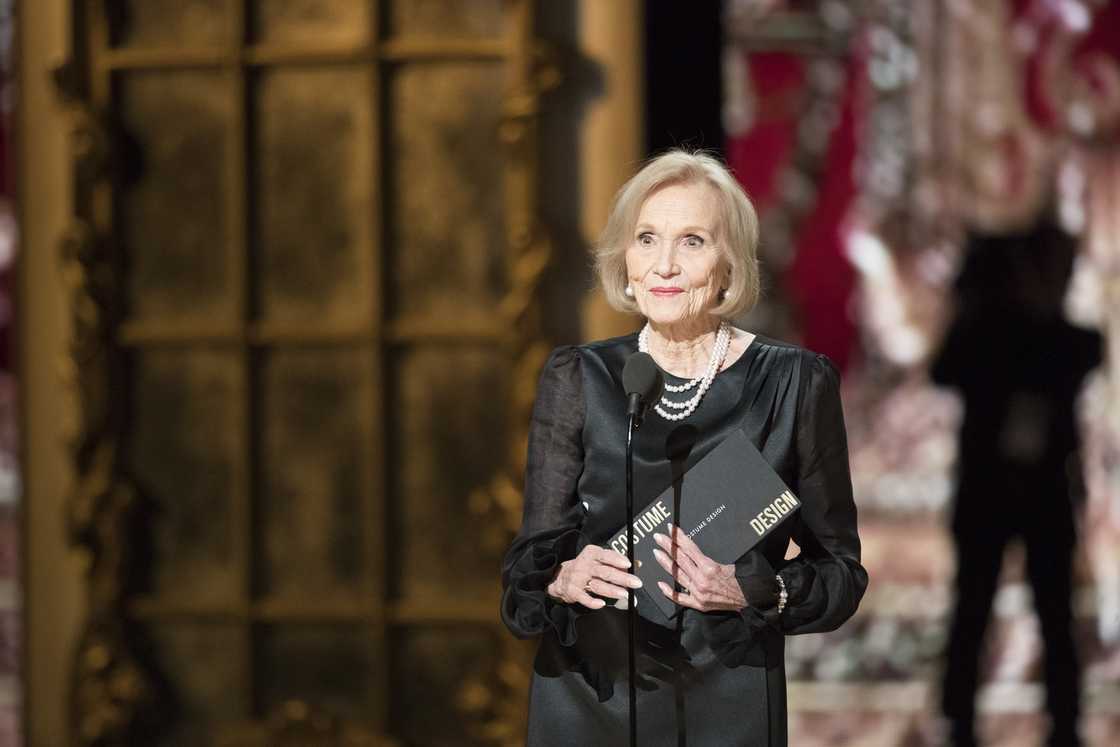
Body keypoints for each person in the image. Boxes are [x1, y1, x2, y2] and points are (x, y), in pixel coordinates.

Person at [500, 150, 868, 746]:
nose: (664, 264)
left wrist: (755, 588)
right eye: (647, 239)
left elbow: (841, 573)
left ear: (728, 266)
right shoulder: (578, 379)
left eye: (692, 241)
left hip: (727, 697)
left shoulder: (793, 385)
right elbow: (526, 571)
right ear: (625, 258)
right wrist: (562, 577)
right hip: (590, 695)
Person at [933, 221, 1102, 747]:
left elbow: (947, 366)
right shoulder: (1054, 343)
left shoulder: (1018, 341)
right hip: (1023, 497)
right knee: (996, 612)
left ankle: (980, 720)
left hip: (1014, 497)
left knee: (1009, 613)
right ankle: (986, 720)